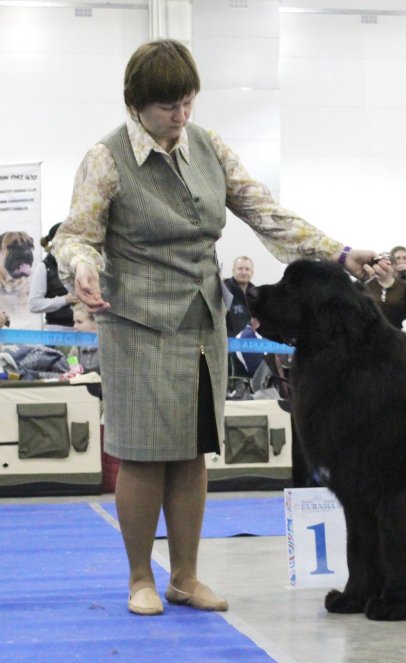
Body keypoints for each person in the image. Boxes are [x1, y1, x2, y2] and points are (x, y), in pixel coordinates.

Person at [52, 39, 388, 618]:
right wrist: (82, 265)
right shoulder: (105, 159)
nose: (180, 118)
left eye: (187, 103)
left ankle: (185, 577)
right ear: (135, 104)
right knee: (142, 456)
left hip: (202, 321)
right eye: (167, 107)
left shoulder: (210, 147)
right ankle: (141, 580)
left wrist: (340, 254)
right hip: (135, 324)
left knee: (192, 454)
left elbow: (266, 213)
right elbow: (76, 234)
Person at [28, 223, 79, 330]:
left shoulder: (79, 262)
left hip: (83, 332)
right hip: (56, 332)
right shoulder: (44, 267)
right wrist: (65, 299)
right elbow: (34, 304)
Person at [365, 256, 406, 329]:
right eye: (379, 265)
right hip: (372, 332)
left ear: (394, 266)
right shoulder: (367, 286)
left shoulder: (405, 286)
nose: (382, 267)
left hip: (398, 332)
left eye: (387, 264)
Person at [223, 256, 256, 336]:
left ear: (252, 272)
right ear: (233, 271)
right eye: (240, 269)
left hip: (251, 345)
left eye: (247, 269)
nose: (244, 272)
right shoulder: (223, 291)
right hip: (229, 344)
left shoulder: (256, 294)